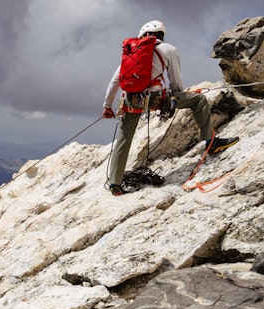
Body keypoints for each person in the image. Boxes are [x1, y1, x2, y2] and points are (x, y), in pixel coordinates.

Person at [102, 20, 238, 196]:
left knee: (123, 139)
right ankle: (210, 143)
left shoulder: (132, 50)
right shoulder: (169, 49)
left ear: (143, 34)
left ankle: (115, 184)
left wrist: (107, 106)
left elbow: (115, 82)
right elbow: (175, 79)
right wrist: (177, 96)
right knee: (200, 101)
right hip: (157, 98)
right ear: (161, 35)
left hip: (131, 100)